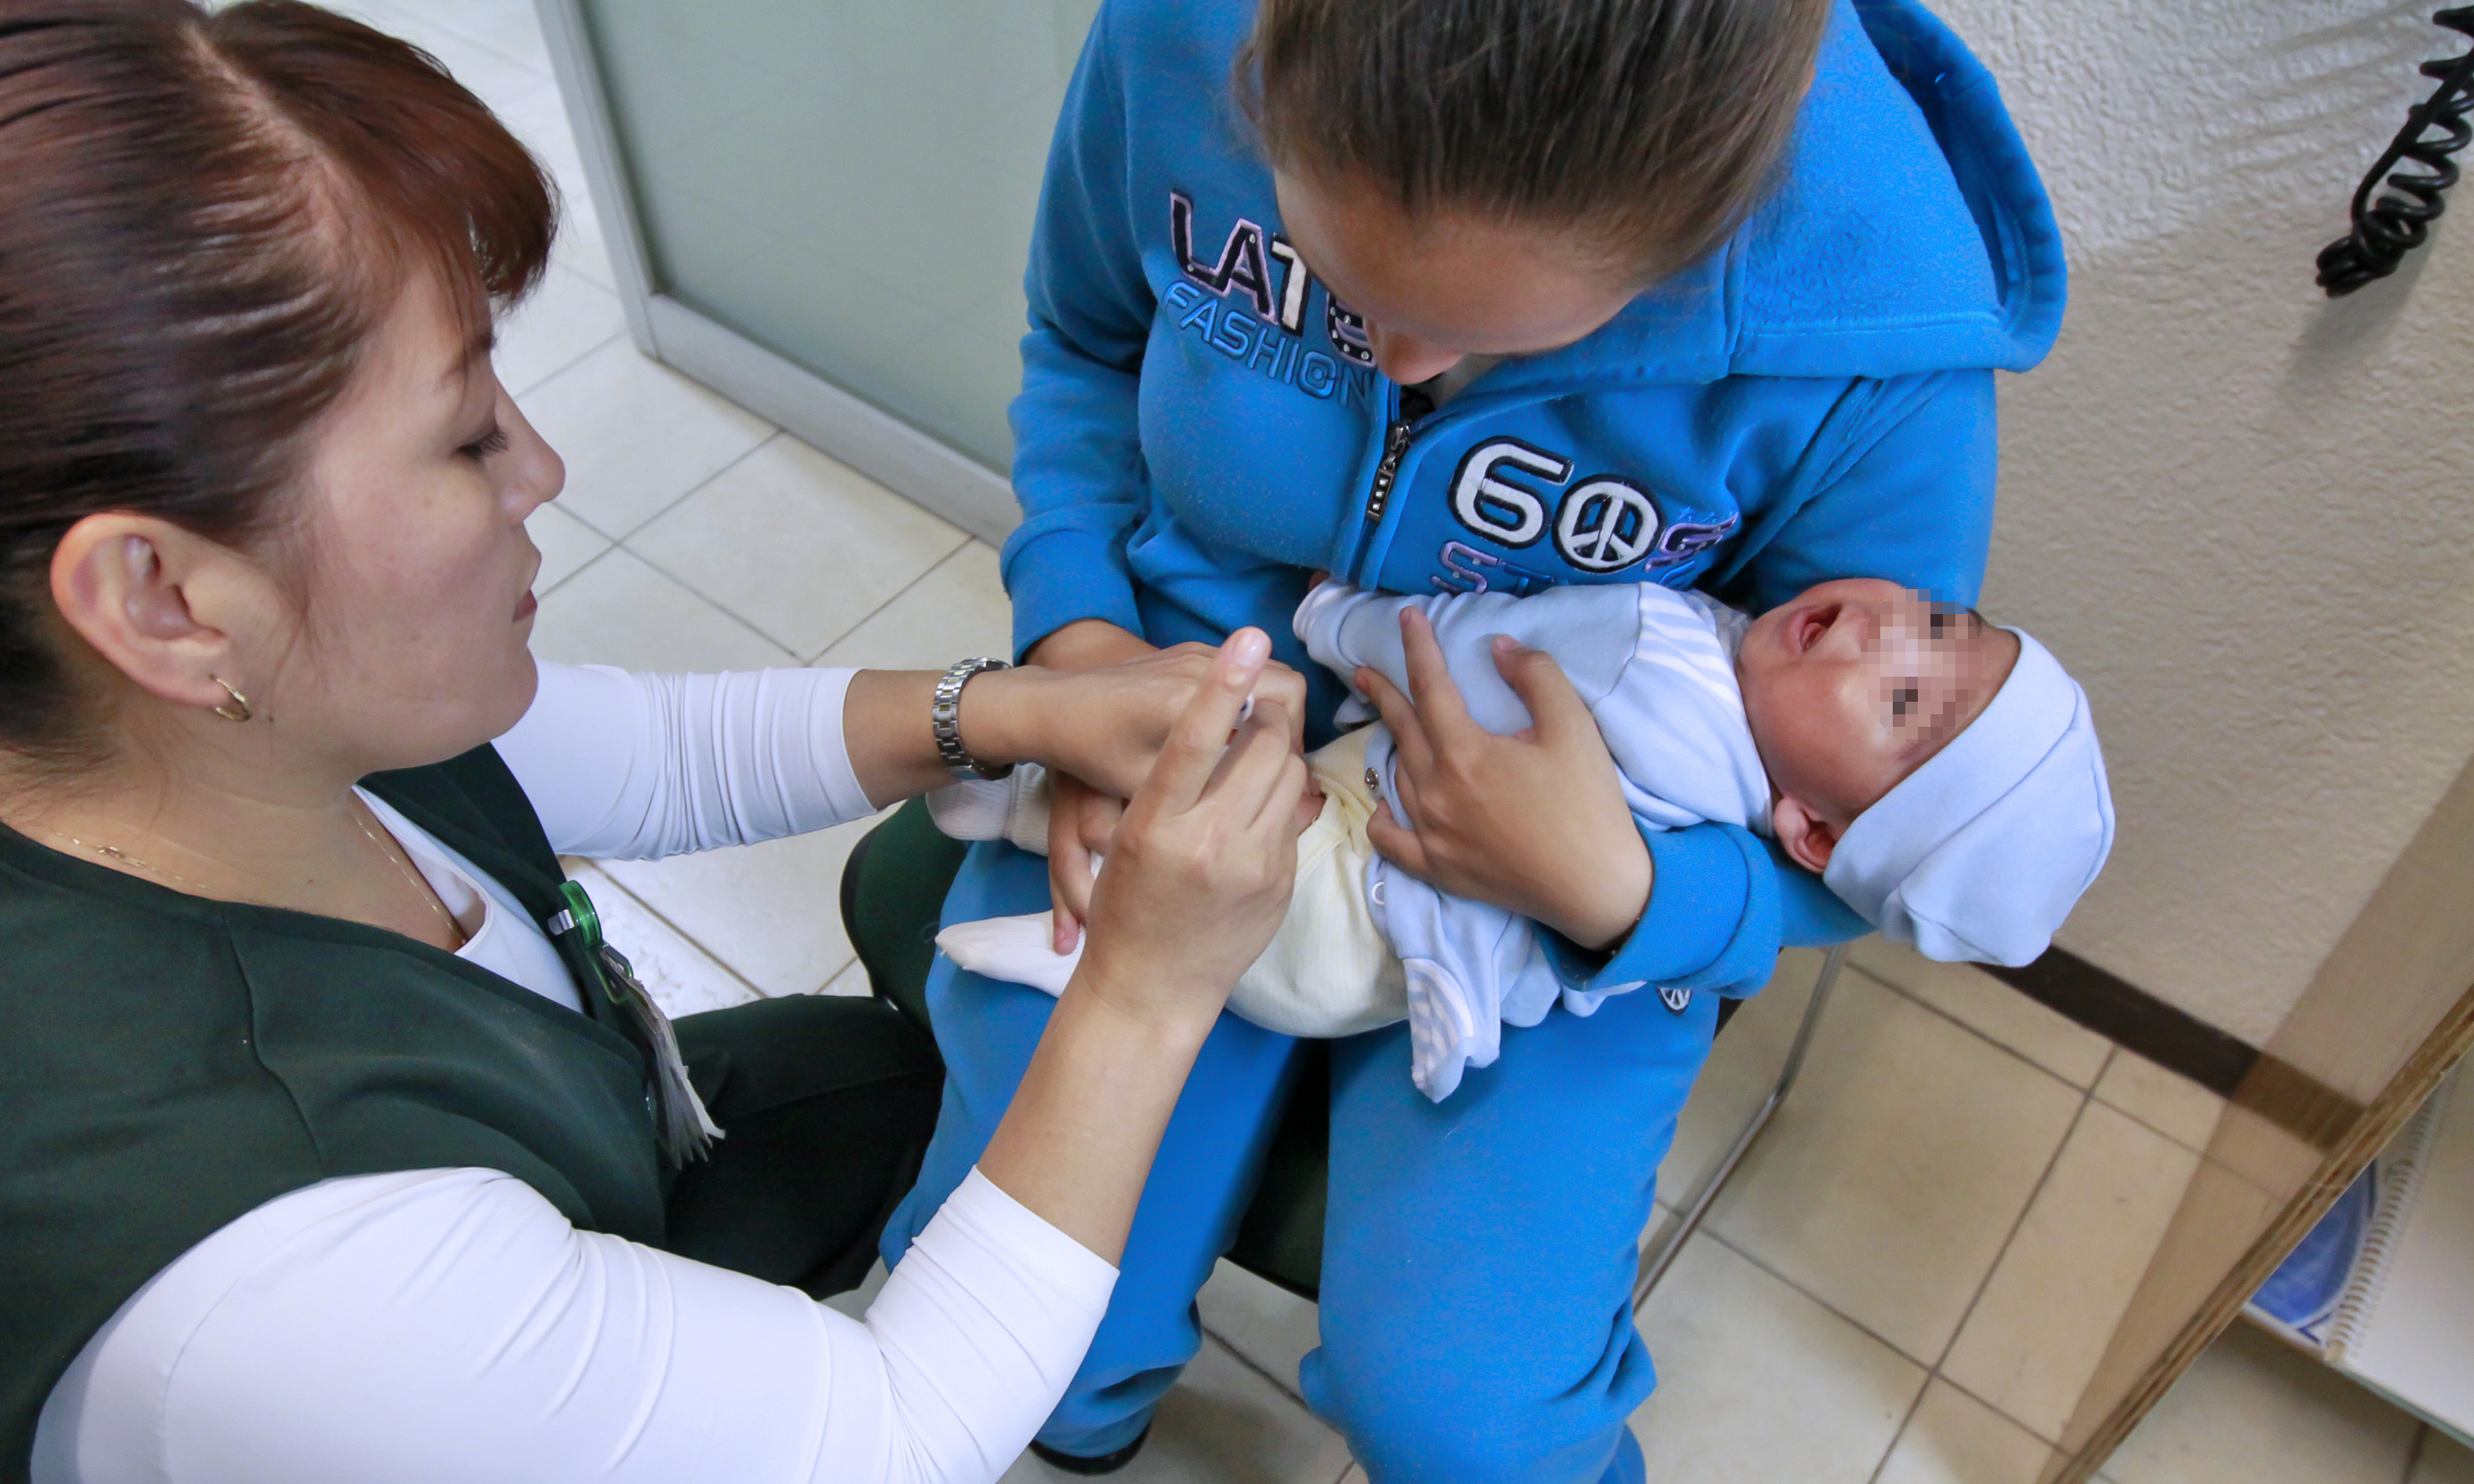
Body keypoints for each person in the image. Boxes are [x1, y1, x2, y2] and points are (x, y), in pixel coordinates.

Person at [0, 5, 1317, 1482]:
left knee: (882, 1083)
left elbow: (626, 754)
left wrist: (1006, 707)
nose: (545, 466)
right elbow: (897, 1432)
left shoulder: (228, 716)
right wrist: (1147, 986)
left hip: (595, 1140)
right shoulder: (290, 1294)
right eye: (462, 436)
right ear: (163, 596)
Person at [879, 0, 2068, 1476]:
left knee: (1462, 1424)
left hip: (1572, 892)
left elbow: (1876, 821)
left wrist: (1631, 899)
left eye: (1481, 336)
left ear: (1695, 247)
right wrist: (1079, 652)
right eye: (1328, 272)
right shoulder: (1172, 38)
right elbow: (1084, 344)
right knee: (1030, 1347)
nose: (1391, 357)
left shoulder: (1875, 334)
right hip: (1166, 735)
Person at [935, 575, 2116, 1099]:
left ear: (1811, 831)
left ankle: (1082, 913)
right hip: (1396, 942)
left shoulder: (1657, 643)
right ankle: (1041, 812)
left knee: (1233, 822)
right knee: (1252, 811)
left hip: (1348, 883)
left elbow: (1449, 640)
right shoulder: (1739, 797)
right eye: (1937, 619)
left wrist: (1329, 613)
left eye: (1907, 701)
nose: (1883, 627)